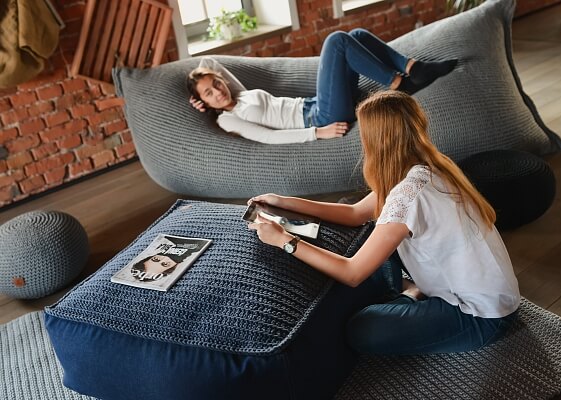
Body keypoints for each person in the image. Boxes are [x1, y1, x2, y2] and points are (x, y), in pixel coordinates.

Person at [247, 90, 520, 355]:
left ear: (377, 139)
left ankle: (410, 295)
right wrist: (283, 201)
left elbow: (352, 273)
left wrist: (283, 240)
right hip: (490, 295)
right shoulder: (427, 167)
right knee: (370, 231)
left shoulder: (408, 194)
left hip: (481, 315)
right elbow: (355, 213)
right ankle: (409, 292)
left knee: (362, 330)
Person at [187, 28, 457, 144]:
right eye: (209, 93)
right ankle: (398, 83)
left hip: (316, 103)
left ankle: (412, 68)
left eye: (217, 83)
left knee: (357, 36)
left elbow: (209, 62)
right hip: (320, 117)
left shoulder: (239, 95)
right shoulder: (227, 119)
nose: (219, 91)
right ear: (205, 102)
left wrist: (203, 91)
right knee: (337, 41)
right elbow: (269, 137)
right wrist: (318, 133)